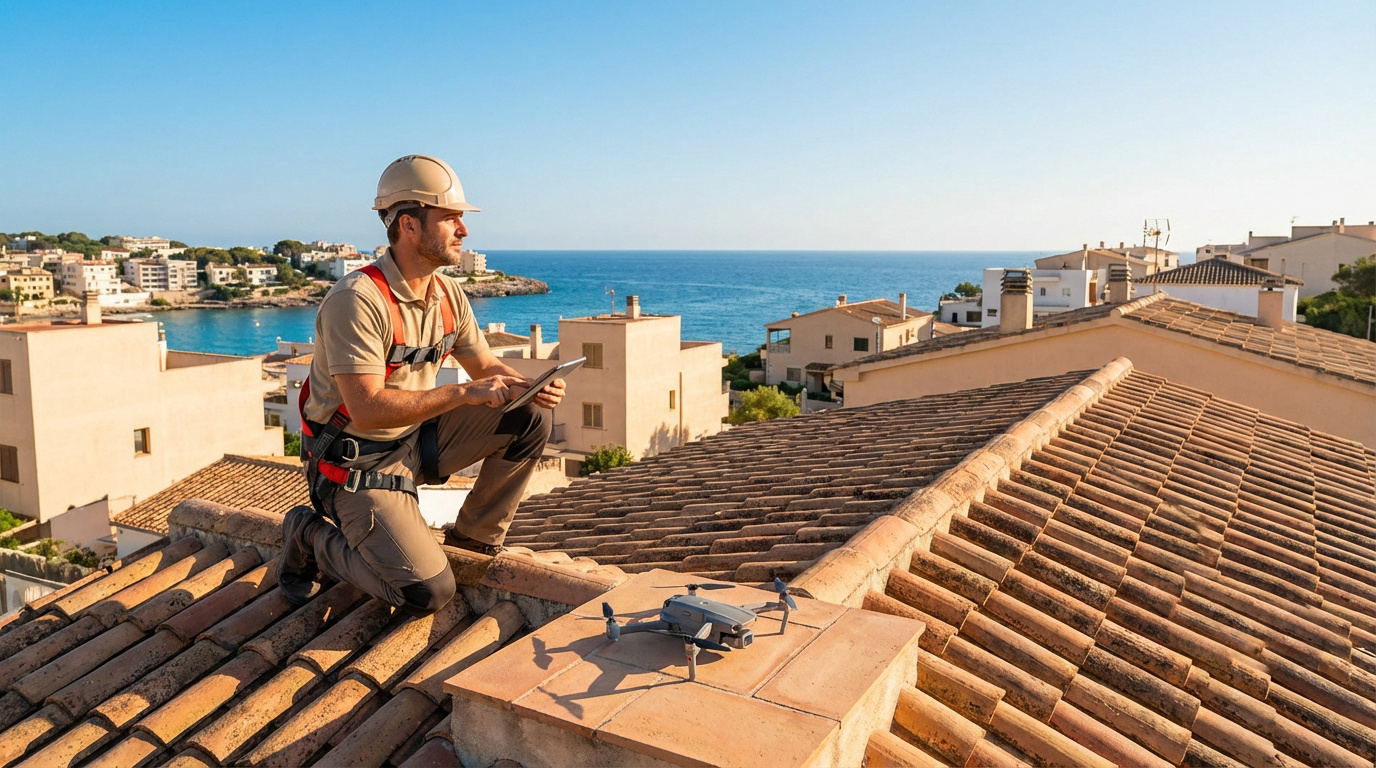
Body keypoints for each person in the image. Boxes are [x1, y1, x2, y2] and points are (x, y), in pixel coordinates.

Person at [278, 154, 564, 615]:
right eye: (451, 219)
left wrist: (530, 386)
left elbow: (484, 365)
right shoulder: (357, 300)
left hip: (415, 442)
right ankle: (308, 536)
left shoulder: (447, 293)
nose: (463, 230)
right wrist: (462, 393)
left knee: (529, 416)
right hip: (355, 462)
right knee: (426, 594)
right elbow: (367, 408)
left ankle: (471, 543)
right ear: (409, 225)